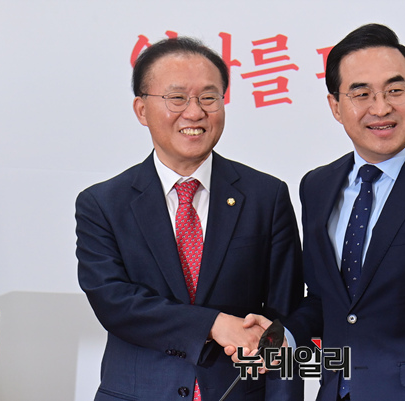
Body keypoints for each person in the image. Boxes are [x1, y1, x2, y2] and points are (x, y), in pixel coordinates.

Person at [241, 23, 405, 400]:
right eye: (362, 94)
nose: (381, 108)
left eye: (395, 90)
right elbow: (328, 301)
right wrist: (284, 334)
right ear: (336, 107)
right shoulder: (317, 186)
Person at [76, 37, 304, 401]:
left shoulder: (266, 196)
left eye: (209, 98)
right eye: (177, 98)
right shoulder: (103, 204)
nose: (195, 113)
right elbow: (115, 302)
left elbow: (284, 321)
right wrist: (214, 324)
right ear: (141, 109)